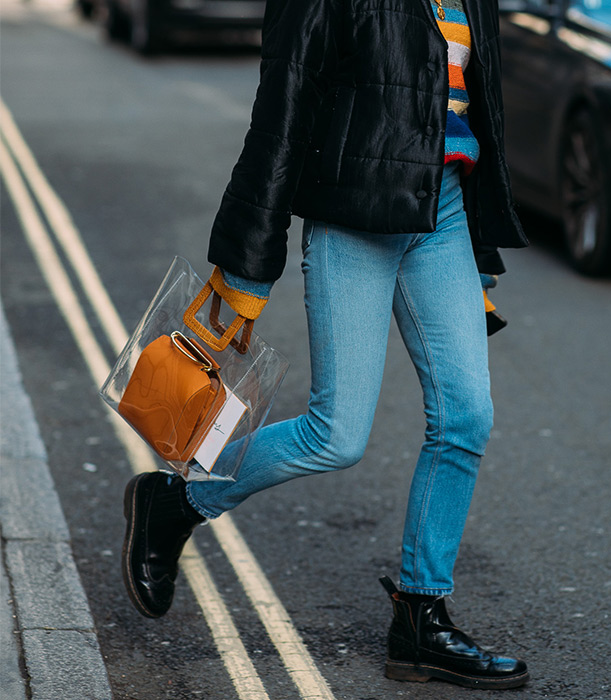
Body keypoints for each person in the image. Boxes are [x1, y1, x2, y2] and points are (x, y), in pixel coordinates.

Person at [121, 0, 530, 690]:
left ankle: (420, 617)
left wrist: (478, 250)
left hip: (445, 210)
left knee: (466, 418)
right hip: (354, 212)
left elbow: (473, 105)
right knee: (337, 434)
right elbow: (284, 103)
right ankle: (177, 503)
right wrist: (248, 264)